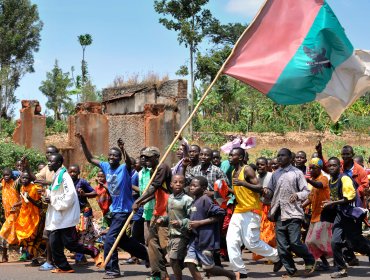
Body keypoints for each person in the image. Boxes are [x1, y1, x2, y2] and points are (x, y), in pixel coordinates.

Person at [76, 134, 148, 278]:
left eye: (115, 156)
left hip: (124, 210)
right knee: (123, 241)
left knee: (110, 239)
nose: (112, 157)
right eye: (110, 155)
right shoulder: (105, 166)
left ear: (119, 157)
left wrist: (123, 149)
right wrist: (83, 141)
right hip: (114, 210)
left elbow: (129, 163)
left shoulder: (124, 168)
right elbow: (90, 159)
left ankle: (113, 270)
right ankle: (148, 255)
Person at [227, 149, 281, 279]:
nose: (229, 157)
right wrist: (226, 190)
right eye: (229, 154)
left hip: (251, 211)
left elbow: (259, 188)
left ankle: (277, 256)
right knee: (231, 240)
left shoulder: (247, 170)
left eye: (232, 155)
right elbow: (240, 192)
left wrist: (243, 183)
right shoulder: (234, 172)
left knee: (251, 243)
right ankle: (240, 270)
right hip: (239, 210)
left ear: (240, 157)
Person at [45, 153, 103, 273]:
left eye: (52, 161)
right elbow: (56, 192)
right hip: (57, 216)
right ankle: (63, 267)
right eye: (48, 161)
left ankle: (93, 251)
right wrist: (48, 197)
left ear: (59, 163)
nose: (49, 163)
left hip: (65, 216)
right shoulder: (57, 175)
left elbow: (70, 196)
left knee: (70, 244)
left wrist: (53, 200)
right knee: (54, 241)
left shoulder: (65, 177)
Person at [264, 148, 315, 277]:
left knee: (295, 242)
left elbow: (306, 192)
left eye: (282, 155)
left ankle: (309, 259)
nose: (279, 158)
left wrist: (297, 195)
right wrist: (265, 191)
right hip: (279, 213)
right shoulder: (275, 174)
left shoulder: (297, 173)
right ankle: (292, 271)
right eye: (278, 155)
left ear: (290, 158)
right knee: (282, 247)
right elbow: (270, 191)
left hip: (293, 213)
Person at [322, 157, 370, 278]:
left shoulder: (344, 179)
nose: (331, 167)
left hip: (350, 214)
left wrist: (331, 203)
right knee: (335, 242)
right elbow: (337, 197)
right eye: (329, 166)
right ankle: (341, 269)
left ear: (340, 167)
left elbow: (350, 198)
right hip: (340, 214)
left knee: (357, 243)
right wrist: (330, 201)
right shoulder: (331, 180)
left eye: (334, 165)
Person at [184, 176, 236, 280]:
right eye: (191, 185)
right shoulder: (195, 200)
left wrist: (200, 223)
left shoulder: (205, 200)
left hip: (205, 240)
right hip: (194, 239)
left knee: (208, 268)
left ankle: (230, 275)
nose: (191, 188)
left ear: (203, 188)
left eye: (195, 186)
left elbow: (221, 213)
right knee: (189, 262)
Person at [132, 147, 172, 280]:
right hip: (157, 209)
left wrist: (137, 200)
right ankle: (159, 274)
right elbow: (155, 193)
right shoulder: (152, 170)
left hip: (167, 210)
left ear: (157, 157)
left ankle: (181, 264)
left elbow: (153, 187)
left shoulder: (162, 168)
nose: (146, 160)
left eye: (149, 157)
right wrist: (142, 203)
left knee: (164, 245)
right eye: (144, 157)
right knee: (151, 242)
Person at [156, 174, 193, 280]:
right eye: (175, 182)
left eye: (181, 182)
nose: (178, 184)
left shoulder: (187, 200)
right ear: (171, 184)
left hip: (182, 235)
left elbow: (193, 218)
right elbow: (169, 216)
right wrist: (162, 219)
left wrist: (181, 222)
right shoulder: (170, 198)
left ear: (184, 184)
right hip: (171, 234)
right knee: (173, 260)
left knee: (173, 259)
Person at [302, 158, 332, 271]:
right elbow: (310, 198)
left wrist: (309, 181)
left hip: (323, 215)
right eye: (310, 168)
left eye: (313, 168)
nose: (311, 170)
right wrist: (300, 207)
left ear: (319, 168)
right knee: (309, 241)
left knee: (314, 240)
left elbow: (320, 185)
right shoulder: (313, 183)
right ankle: (325, 263)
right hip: (314, 216)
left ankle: (333, 258)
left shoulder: (323, 178)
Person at [68, 164, 98, 265]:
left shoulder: (82, 182)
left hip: (84, 211)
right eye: (70, 172)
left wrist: (84, 194)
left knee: (81, 233)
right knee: (74, 234)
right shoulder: (66, 183)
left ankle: (79, 257)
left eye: (74, 172)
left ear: (78, 173)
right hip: (72, 211)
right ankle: (83, 254)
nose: (72, 173)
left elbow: (94, 193)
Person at [14, 171, 43, 266]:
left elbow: (40, 204)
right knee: (24, 237)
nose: (24, 179)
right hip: (24, 217)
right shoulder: (22, 188)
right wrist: (17, 205)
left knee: (33, 239)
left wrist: (29, 198)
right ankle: (33, 258)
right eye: (23, 178)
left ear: (30, 179)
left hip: (35, 217)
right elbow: (23, 202)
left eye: (26, 178)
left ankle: (35, 259)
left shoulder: (35, 188)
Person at [252, 157, 276, 262]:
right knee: (259, 232)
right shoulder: (254, 178)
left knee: (269, 233)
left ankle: (273, 255)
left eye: (262, 164)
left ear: (267, 166)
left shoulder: (272, 176)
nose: (259, 167)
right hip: (258, 208)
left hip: (270, 206)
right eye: (258, 164)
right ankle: (267, 255)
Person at [0, 168, 21, 262]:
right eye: (4, 175)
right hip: (7, 214)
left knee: (3, 232)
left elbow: (24, 197)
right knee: (15, 234)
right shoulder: (3, 182)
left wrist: (17, 204)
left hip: (16, 213)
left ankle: (4, 255)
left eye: (8, 175)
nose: (6, 177)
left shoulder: (16, 183)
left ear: (11, 175)